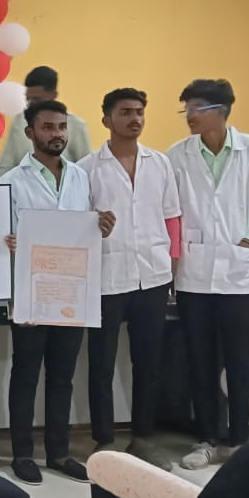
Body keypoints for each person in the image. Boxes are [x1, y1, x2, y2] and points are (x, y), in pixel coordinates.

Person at [168, 79, 249, 470]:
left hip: (238, 273)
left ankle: (238, 440)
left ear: (220, 110)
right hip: (194, 275)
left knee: (238, 360)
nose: (189, 116)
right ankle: (205, 439)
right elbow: (170, 212)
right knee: (200, 361)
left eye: (196, 108)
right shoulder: (177, 155)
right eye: (186, 109)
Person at [0, 100, 115, 486]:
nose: (57, 134)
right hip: (31, 292)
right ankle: (22, 453)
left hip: (71, 294)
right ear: (30, 133)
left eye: (62, 126)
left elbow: (86, 227)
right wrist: (10, 242)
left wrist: (102, 225)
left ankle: (59, 452)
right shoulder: (12, 181)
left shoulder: (80, 177)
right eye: (48, 127)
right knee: (26, 375)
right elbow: (2, 235)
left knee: (63, 376)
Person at [78, 89, 180, 470]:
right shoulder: (87, 169)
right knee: (101, 364)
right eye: (125, 112)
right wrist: (94, 224)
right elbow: (75, 224)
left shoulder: (160, 163)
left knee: (148, 363)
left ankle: (143, 438)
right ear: (106, 120)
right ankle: (104, 440)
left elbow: (171, 218)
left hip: (152, 275)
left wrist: (173, 271)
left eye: (139, 112)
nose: (134, 119)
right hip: (106, 277)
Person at [0, 66, 93, 177]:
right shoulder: (19, 123)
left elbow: (86, 171)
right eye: (29, 100)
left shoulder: (75, 126)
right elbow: (5, 168)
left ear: (53, 95)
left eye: (37, 99)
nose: (32, 105)